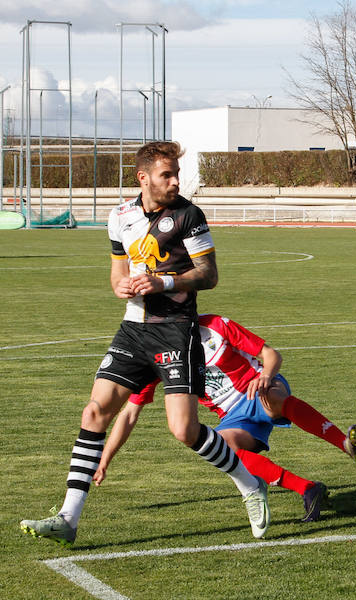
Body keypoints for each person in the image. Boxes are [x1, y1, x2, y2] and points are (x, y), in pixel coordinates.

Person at [20, 142, 271, 547]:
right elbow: (117, 272)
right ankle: (68, 516)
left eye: (176, 174)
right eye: (166, 175)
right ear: (143, 178)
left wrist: (165, 281)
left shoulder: (189, 215)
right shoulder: (120, 216)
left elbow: (209, 274)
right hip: (133, 329)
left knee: (184, 430)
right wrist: (121, 285)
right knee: (95, 411)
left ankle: (249, 485)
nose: (174, 182)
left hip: (175, 329)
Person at [93, 313, 356, 522]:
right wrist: (104, 460)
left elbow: (271, 355)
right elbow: (130, 413)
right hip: (233, 417)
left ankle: (345, 443)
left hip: (257, 389)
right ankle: (308, 489)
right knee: (223, 448)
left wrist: (265, 376)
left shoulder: (215, 325)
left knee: (273, 397)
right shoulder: (161, 356)